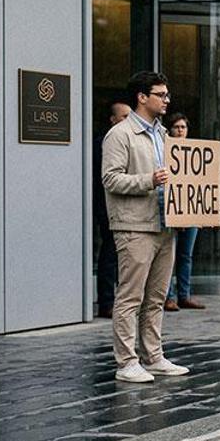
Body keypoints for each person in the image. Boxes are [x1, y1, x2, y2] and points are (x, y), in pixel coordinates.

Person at [101, 72, 190, 383]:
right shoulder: (120, 135)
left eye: (166, 94)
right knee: (130, 297)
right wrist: (148, 181)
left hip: (165, 225)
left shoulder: (163, 135)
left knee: (156, 296)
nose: (166, 100)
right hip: (134, 226)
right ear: (142, 97)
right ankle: (126, 362)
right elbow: (110, 179)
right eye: (160, 94)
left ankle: (153, 356)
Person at [163, 113, 206, 312]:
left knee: (186, 255)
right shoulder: (163, 150)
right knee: (170, 255)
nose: (180, 130)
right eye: (177, 127)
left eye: (184, 127)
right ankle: (168, 296)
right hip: (172, 208)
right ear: (169, 129)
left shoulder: (194, 152)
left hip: (191, 209)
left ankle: (184, 295)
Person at [94, 100, 131, 319]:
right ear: (112, 120)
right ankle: (106, 301)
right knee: (110, 253)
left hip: (126, 206)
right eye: (124, 116)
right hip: (107, 206)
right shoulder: (103, 143)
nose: (128, 120)